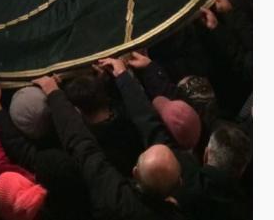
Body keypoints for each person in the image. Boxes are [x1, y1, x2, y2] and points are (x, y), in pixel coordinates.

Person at [33, 75, 183, 219]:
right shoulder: (181, 207)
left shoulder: (118, 202)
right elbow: (151, 127)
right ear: (180, 181)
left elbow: (84, 149)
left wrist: (54, 94)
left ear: (135, 172)